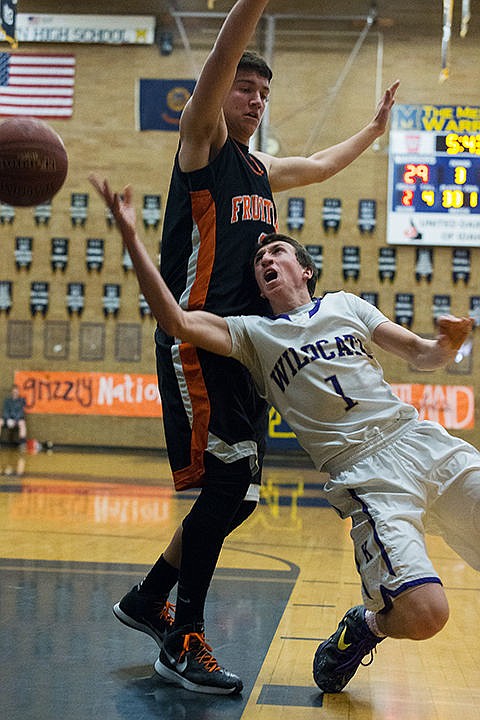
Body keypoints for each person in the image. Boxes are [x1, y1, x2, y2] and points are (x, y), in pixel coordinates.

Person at [94, 0, 399, 695]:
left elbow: (320, 164)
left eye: (265, 93)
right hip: (195, 333)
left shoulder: (261, 170)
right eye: (246, 87)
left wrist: (373, 131)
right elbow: (214, 70)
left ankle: (149, 598)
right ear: (223, 91)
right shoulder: (200, 147)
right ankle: (183, 634)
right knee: (227, 484)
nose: (256, 99)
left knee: (239, 500)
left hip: (241, 347)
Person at [84, 185, 479, 697]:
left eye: (277, 252)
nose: (265, 259)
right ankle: (364, 628)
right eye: (259, 259)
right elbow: (175, 320)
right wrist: (131, 237)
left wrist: (446, 346)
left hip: (421, 440)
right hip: (367, 474)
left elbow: (422, 354)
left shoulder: (346, 305)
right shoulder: (254, 334)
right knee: (426, 615)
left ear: (304, 270)